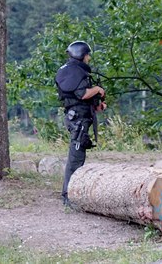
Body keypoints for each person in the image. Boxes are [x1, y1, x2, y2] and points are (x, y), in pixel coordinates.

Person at [55, 41, 106, 207]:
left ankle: (71, 194)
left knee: (78, 155)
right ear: (82, 54)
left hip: (78, 117)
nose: (89, 58)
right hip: (78, 120)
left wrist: (97, 105)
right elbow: (82, 94)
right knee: (75, 157)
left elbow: (80, 98)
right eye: (87, 54)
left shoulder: (72, 71)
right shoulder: (75, 72)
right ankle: (68, 196)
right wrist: (97, 89)